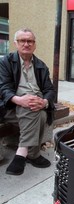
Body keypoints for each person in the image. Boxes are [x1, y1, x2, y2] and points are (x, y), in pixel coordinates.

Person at [0, 28, 56, 175]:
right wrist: (19, 100)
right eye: (22, 41)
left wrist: (44, 102)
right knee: (33, 109)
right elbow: (3, 88)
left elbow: (50, 90)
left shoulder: (41, 66)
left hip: (36, 106)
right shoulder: (5, 62)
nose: (26, 44)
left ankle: (25, 152)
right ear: (15, 43)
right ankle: (31, 154)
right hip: (10, 107)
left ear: (34, 44)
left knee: (40, 112)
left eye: (30, 41)